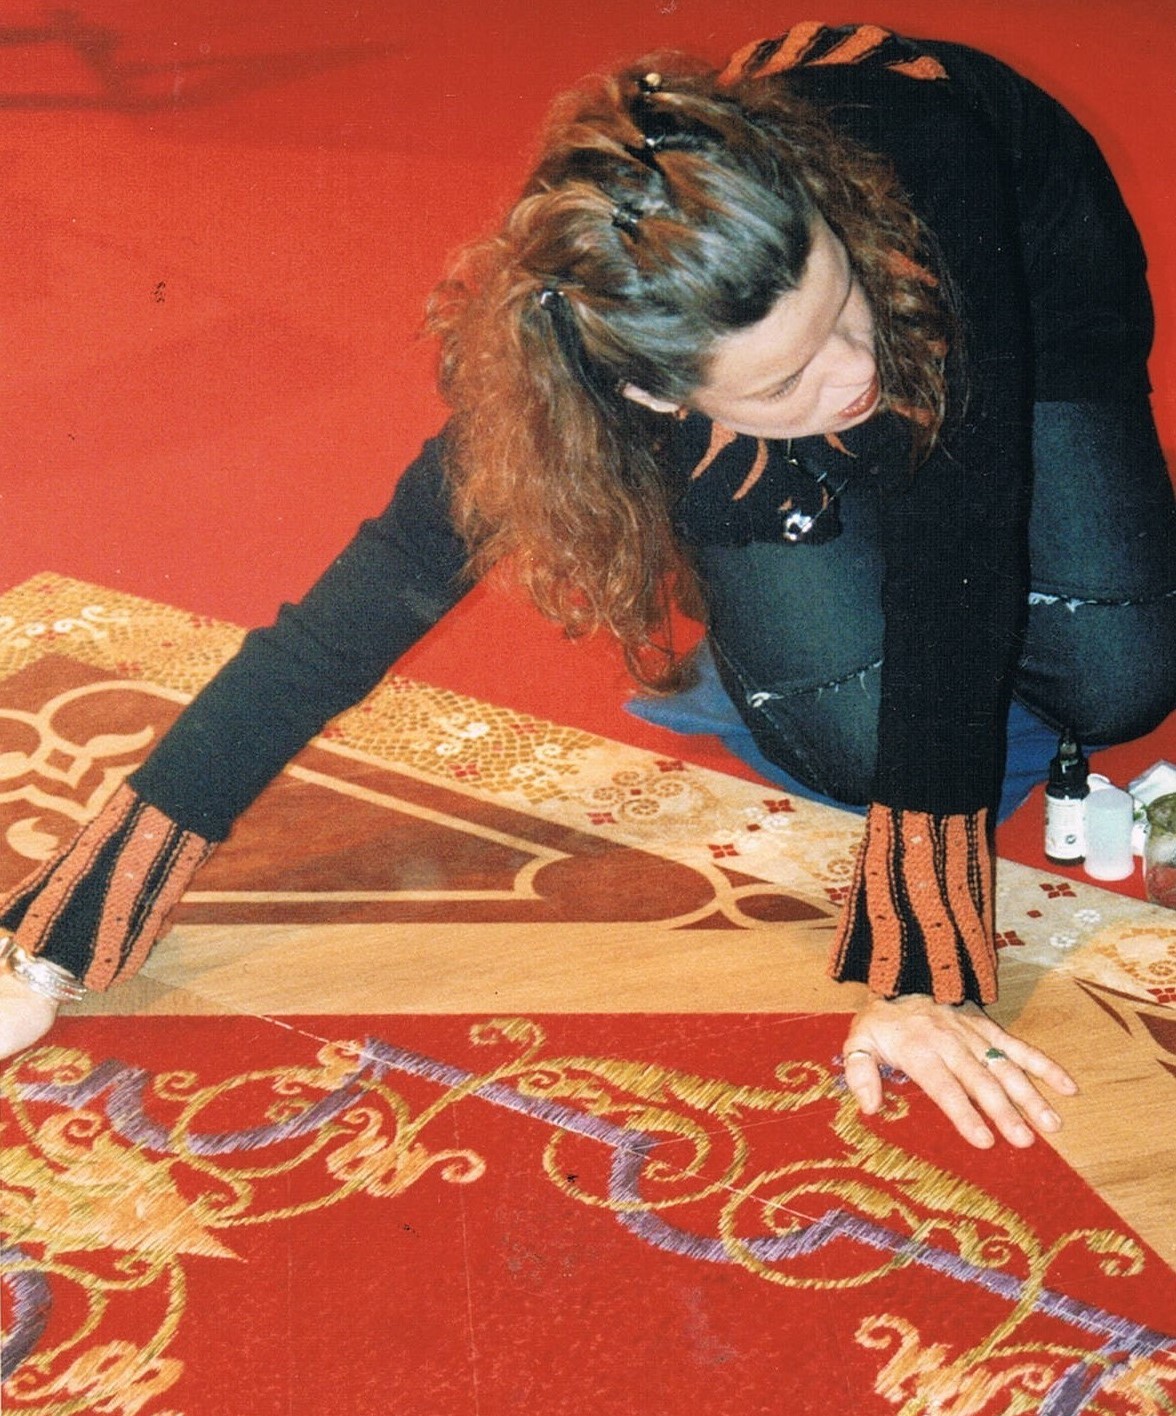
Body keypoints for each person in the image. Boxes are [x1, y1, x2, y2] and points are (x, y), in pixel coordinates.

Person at [2, 24, 1174, 1150]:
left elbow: (957, 554)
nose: (856, 372)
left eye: (837, 313)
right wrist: (48, 945)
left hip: (1009, 312)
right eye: (786, 379)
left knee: (1123, 679)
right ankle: (776, 537)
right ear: (655, 397)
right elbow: (334, 629)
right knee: (860, 745)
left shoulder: (917, 185)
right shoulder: (600, 371)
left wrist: (921, 973)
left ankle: (811, 449)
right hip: (758, 419)